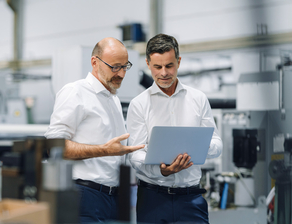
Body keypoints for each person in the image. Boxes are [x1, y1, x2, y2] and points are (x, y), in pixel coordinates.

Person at [45, 37, 145, 223]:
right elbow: (54, 147)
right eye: (115, 67)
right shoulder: (75, 92)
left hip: (114, 197)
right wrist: (104, 150)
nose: (122, 74)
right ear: (94, 62)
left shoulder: (112, 98)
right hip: (85, 196)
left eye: (125, 67)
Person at [126, 33, 223, 223]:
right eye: (157, 67)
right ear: (147, 64)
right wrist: (163, 171)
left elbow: (217, 145)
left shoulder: (198, 99)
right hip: (153, 199)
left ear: (178, 61)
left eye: (169, 66)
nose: (163, 73)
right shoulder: (138, 104)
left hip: (191, 198)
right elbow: (135, 155)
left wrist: (195, 147)